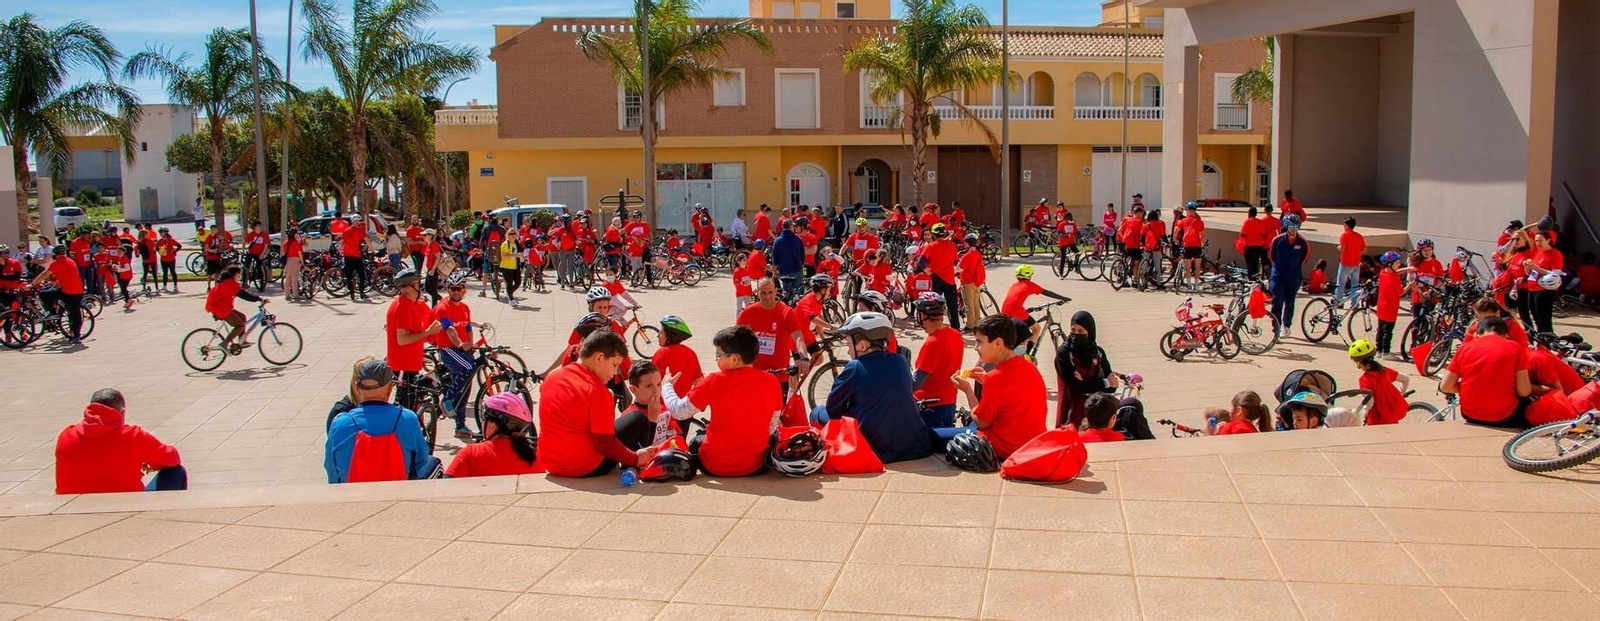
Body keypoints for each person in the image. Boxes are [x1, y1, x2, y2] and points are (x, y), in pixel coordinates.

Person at [809, 312, 933, 463]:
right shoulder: (900, 361)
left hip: (876, 448)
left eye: (849, 345)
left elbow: (833, 408)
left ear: (862, 345)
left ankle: (828, 447)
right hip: (915, 446)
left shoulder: (855, 367)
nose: (848, 351)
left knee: (817, 412)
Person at [661, 326, 784, 477]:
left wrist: (666, 386)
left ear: (734, 359)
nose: (716, 358)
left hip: (715, 465)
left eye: (719, 355)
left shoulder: (715, 380)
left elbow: (679, 412)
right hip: (756, 465)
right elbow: (772, 426)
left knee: (696, 440)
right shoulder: (772, 381)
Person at [539, 330, 659, 477]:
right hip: (585, 467)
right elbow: (604, 441)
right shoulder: (597, 391)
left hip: (551, 463)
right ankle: (639, 462)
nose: (615, 373)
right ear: (599, 358)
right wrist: (634, 458)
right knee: (637, 418)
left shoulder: (552, 377)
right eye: (615, 365)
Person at [943, 315, 1048, 459]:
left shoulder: (996, 376)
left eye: (979, 342)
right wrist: (986, 380)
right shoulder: (1030, 367)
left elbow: (981, 423)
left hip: (1004, 448)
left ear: (998, 343)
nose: (975, 348)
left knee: (935, 435)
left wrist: (967, 390)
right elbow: (1012, 394)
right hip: (1032, 444)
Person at [324, 359, 440, 482]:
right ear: (390, 389)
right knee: (435, 464)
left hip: (353, 494)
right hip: (396, 490)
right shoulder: (407, 419)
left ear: (358, 389)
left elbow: (331, 468)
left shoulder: (340, 423)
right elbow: (421, 462)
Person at [55, 388, 185, 493]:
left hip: (73, 508)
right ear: (122, 412)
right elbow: (173, 458)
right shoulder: (133, 435)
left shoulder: (66, 435)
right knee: (176, 472)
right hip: (126, 504)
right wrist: (153, 462)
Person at [1442, 316, 1534, 429]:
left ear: (1476, 334)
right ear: (1505, 335)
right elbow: (1524, 391)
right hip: (1506, 416)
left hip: (1470, 414)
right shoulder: (1515, 348)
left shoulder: (1465, 348)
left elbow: (1446, 386)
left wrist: (1469, 386)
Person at [736, 278, 811, 397]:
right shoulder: (748, 313)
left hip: (779, 376)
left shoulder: (786, 313)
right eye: (763, 293)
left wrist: (804, 358)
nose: (767, 297)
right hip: (753, 375)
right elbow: (736, 338)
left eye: (770, 292)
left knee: (778, 414)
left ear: (776, 291)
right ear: (757, 292)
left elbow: (798, 338)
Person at [444, 393, 543, 478]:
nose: (482, 423)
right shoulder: (535, 457)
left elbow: (445, 488)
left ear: (493, 425)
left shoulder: (470, 454)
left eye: (484, 419)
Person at [386, 269, 441, 411]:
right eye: (417, 283)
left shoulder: (410, 304)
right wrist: (427, 332)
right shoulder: (403, 307)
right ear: (411, 286)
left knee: (409, 402)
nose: (420, 286)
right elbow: (402, 340)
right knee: (405, 407)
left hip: (409, 362)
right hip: (404, 364)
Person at [1053, 310, 1118, 428]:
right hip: (1070, 413)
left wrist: (1102, 384)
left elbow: (1112, 387)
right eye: (1073, 330)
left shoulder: (1098, 353)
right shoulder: (1064, 353)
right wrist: (1105, 383)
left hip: (1095, 416)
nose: (1076, 334)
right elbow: (1075, 387)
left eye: (1080, 331)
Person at [433, 274, 479, 438]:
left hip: (461, 350)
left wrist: (471, 346)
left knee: (465, 388)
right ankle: (447, 399)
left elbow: (467, 328)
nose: (456, 292)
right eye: (453, 289)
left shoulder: (465, 308)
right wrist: (460, 344)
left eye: (459, 288)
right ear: (448, 289)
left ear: (464, 290)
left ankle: (460, 426)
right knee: (468, 368)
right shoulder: (443, 308)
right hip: (448, 349)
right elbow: (450, 330)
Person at [912, 296, 963, 429]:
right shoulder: (955, 335)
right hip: (949, 402)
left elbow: (917, 382)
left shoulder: (932, 343)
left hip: (930, 407)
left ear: (922, 315)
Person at [999, 265, 1071, 352]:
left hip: (1005, 310)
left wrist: (1028, 309)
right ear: (1029, 276)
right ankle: (1027, 352)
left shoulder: (1014, 285)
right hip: (1017, 311)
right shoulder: (1030, 285)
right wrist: (1063, 298)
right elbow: (1047, 292)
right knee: (1036, 328)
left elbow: (1014, 301)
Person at [1347, 339, 1409, 426]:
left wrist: (1365, 413)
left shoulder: (1364, 380)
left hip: (1378, 419)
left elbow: (1370, 402)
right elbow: (1406, 379)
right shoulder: (1384, 370)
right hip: (1393, 414)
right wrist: (1400, 393)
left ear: (1358, 362)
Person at [32, 246, 86, 342]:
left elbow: (44, 274)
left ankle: (52, 312)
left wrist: (32, 284)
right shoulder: (70, 261)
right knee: (75, 313)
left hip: (68, 292)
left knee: (44, 295)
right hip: (78, 291)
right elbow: (63, 276)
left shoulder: (56, 263)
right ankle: (76, 335)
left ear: (55, 255)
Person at [1268, 217, 1311, 337]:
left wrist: (1293, 268)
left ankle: (1286, 326)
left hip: (1293, 276)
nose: (1293, 229)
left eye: (1296, 227)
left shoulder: (1302, 242)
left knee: (1290, 301)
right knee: (1277, 301)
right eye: (1291, 226)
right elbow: (1271, 256)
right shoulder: (1278, 240)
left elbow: (1305, 258)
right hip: (1278, 275)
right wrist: (1278, 269)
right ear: (1287, 226)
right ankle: (1276, 328)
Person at [205, 264, 265, 349]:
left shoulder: (228, 282)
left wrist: (257, 298)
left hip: (223, 307)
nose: (240, 276)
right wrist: (259, 298)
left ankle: (242, 340)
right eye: (239, 274)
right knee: (240, 325)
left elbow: (242, 292)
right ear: (233, 274)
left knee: (242, 317)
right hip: (220, 309)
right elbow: (244, 294)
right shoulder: (229, 283)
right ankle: (225, 343)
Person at [921, 223, 962, 331]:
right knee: (952, 306)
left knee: (935, 306)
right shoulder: (952, 245)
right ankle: (955, 329)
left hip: (936, 278)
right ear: (944, 233)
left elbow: (921, 261)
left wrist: (928, 272)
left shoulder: (930, 246)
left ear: (933, 235)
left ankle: (935, 327)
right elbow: (956, 261)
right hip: (949, 279)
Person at [650, 315, 703, 397]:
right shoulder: (690, 352)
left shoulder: (661, 353)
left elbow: (650, 380)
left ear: (669, 335)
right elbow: (699, 380)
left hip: (663, 404)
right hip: (683, 404)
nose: (658, 336)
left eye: (660, 333)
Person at [1525, 230, 1564, 333]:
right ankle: (1541, 341)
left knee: (1544, 319)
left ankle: (1549, 341)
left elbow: (1555, 275)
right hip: (1532, 288)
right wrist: (1528, 268)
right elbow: (1533, 272)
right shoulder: (1538, 252)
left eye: (1541, 241)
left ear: (1548, 240)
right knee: (1536, 318)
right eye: (1536, 241)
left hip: (1545, 289)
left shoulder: (1555, 254)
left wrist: (1536, 268)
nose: (1538, 243)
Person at [1374, 251, 1403, 357]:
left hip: (1381, 305)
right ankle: (1386, 352)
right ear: (1390, 264)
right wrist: (1411, 285)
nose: (1399, 265)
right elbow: (1401, 292)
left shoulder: (1383, 272)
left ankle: (1379, 350)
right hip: (1391, 307)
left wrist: (1407, 269)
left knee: (1380, 329)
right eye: (1397, 263)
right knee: (1388, 331)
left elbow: (1396, 272)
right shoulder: (1394, 278)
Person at [957, 234, 985, 330]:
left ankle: (970, 325)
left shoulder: (967, 256)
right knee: (975, 303)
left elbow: (959, 269)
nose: (964, 244)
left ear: (968, 243)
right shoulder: (978, 254)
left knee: (968, 304)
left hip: (967, 282)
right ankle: (977, 322)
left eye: (965, 242)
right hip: (976, 281)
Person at [1335, 218, 1366, 307]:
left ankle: (1339, 302)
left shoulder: (1344, 235)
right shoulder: (1359, 236)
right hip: (1356, 263)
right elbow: (1364, 249)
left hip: (1345, 263)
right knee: (1355, 285)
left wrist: (1338, 247)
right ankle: (1354, 304)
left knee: (1340, 283)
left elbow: (1343, 249)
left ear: (1346, 226)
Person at [339, 216, 368, 300]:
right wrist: (372, 248)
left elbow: (342, 242)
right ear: (354, 221)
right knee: (359, 275)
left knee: (350, 275)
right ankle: (358, 292)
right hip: (353, 256)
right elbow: (367, 240)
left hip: (351, 256)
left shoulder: (350, 231)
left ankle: (354, 292)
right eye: (358, 221)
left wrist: (341, 250)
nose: (360, 223)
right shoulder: (355, 231)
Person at [1239, 207, 1270, 279]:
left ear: (1249, 213)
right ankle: (1255, 279)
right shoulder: (1260, 222)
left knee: (1250, 265)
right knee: (1255, 264)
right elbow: (1264, 233)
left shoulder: (1247, 222)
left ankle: (1251, 279)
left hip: (1249, 246)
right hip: (1258, 247)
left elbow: (1242, 234)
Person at [1178, 204, 1205, 287]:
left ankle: (1189, 285)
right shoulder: (1200, 222)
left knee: (1187, 266)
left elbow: (1177, 230)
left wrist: (1176, 239)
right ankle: (1196, 286)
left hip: (1187, 245)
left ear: (1189, 211)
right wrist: (1201, 242)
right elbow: (1202, 234)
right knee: (1197, 267)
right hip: (1197, 245)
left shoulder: (1184, 221)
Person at [157, 229, 181, 293]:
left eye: (163, 234)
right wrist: (160, 251)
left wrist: (174, 251)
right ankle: (164, 286)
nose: (162, 235)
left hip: (171, 259)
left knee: (173, 272)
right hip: (163, 259)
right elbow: (156, 247)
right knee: (165, 273)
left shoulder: (171, 240)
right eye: (161, 234)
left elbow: (179, 246)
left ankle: (175, 286)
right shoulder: (160, 241)